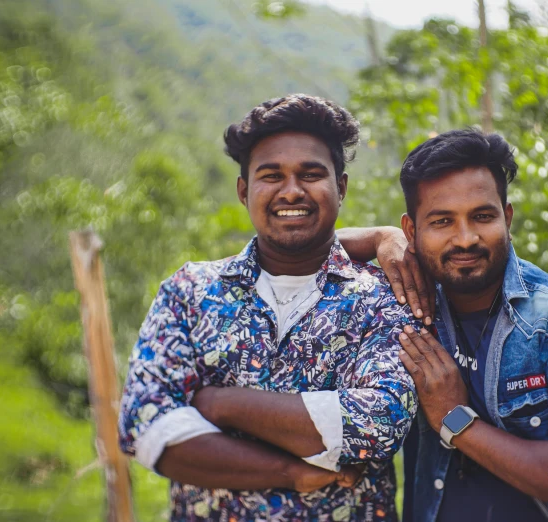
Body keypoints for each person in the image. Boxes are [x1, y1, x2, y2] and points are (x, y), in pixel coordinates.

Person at [118, 94, 418, 522]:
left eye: (311, 174)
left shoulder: (384, 298)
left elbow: (375, 427)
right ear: (244, 191)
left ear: (342, 188)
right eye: (271, 175)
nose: (291, 190)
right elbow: (144, 426)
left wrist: (218, 404)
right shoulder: (190, 293)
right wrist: (290, 472)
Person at [385, 129, 548, 521]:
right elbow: (292, 253)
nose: (466, 238)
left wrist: (456, 421)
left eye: (482, 216)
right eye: (442, 221)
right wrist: (376, 237)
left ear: (507, 218)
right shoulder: (408, 308)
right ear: (411, 232)